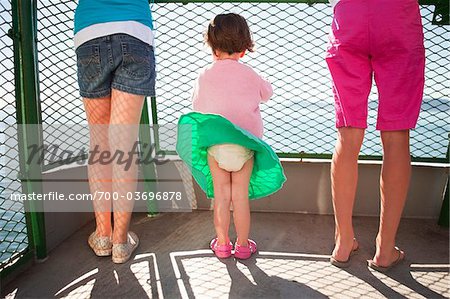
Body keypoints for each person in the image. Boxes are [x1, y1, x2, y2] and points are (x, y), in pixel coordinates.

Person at [325, 0, 425, 271]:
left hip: (349, 15)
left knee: (348, 135)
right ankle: (385, 249)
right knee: (396, 136)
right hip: (397, 15)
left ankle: (343, 242)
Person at [176, 13, 286, 259]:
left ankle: (223, 244)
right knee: (240, 198)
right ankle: (244, 246)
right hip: (244, 147)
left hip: (216, 147)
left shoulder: (204, 75)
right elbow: (267, 93)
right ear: (244, 48)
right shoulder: (249, 73)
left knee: (222, 197)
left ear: (213, 48)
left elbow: (197, 108)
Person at [74, 0, 156, 263]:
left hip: (90, 31)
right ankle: (120, 241)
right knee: (123, 142)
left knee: (99, 140)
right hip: (134, 32)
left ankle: (102, 235)